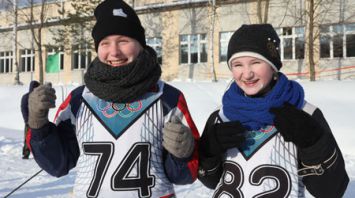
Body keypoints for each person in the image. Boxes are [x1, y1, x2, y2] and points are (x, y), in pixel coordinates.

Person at [27, 0, 199, 197]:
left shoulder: (168, 98)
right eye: (105, 43)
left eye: (123, 41)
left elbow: (185, 174)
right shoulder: (78, 100)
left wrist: (182, 155)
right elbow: (57, 164)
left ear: (141, 45)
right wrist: (38, 123)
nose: (114, 52)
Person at [198, 24, 349, 198]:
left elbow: (331, 191)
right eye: (238, 64)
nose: (246, 74)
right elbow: (211, 182)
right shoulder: (221, 116)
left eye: (256, 62)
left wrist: (314, 144)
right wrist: (208, 153)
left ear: (273, 66)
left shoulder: (304, 114)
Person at [20, 80, 40, 159]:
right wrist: (26, 120)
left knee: (39, 138)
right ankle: (26, 153)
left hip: (38, 121)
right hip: (29, 122)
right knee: (27, 138)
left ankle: (38, 154)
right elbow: (23, 109)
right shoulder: (26, 97)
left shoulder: (38, 97)